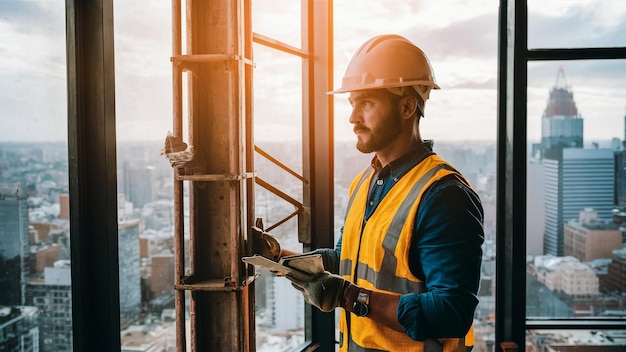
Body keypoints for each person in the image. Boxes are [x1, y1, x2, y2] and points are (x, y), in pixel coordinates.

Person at [270, 34, 484, 352]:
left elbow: (451, 313)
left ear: (407, 106)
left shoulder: (443, 196)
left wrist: (348, 296)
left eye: (367, 103)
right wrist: (279, 258)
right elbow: (346, 264)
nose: (353, 118)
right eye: (353, 104)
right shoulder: (364, 183)